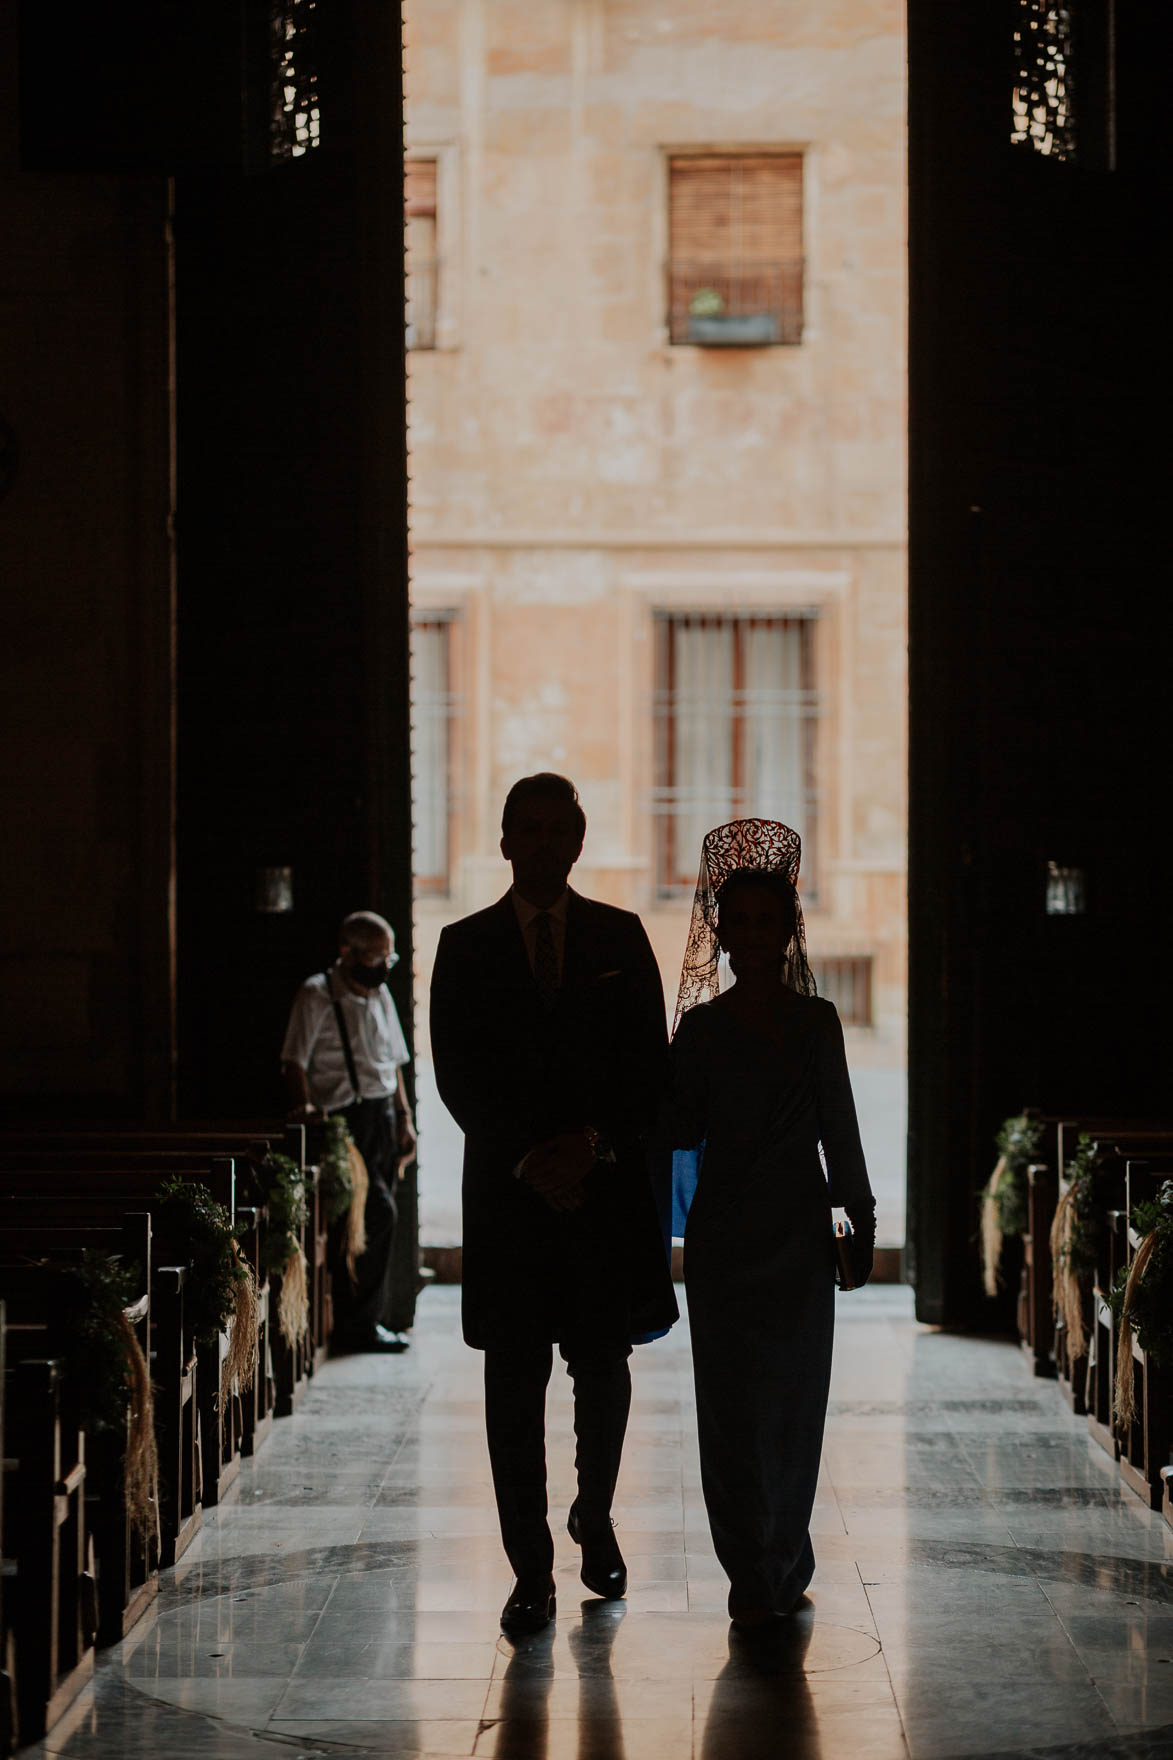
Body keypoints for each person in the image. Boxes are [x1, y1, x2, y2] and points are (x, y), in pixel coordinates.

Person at [429, 773, 678, 1635]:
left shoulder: (621, 935)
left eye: (554, 830)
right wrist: (533, 1159)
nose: (539, 843)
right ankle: (527, 1567)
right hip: (509, 1201)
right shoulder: (462, 946)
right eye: (523, 829)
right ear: (503, 842)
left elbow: (651, 1067)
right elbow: (456, 1076)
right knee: (512, 1382)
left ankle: (595, 1515)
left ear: (577, 842)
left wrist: (592, 1147)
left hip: (600, 1199)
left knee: (603, 1369)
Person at [667, 819, 876, 1629]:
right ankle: (746, 1566)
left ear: (788, 930)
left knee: (792, 1403)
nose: (752, 934)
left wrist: (855, 1220)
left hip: (794, 1236)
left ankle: (782, 1554)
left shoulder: (816, 1023)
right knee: (726, 1404)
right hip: (722, 1236)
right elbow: (678, 1130)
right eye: (738, 922)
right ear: (717, 934)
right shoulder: (702, 1029)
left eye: (767, 920)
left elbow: (842, 1132)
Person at [281, 909, 417, 1353]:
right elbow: (294, 1061)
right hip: (343, 1122)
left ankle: (361, 1320)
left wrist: (405, 1118)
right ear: (348, 952)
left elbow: (393, 1062)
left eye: (388, 958)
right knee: (373, 1216)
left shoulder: (379, 995)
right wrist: (303, 1108)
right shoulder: (317, 994)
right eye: (377, 957)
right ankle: (357, 1325)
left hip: (381, 1117)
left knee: (373, 1217)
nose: (383, 966)